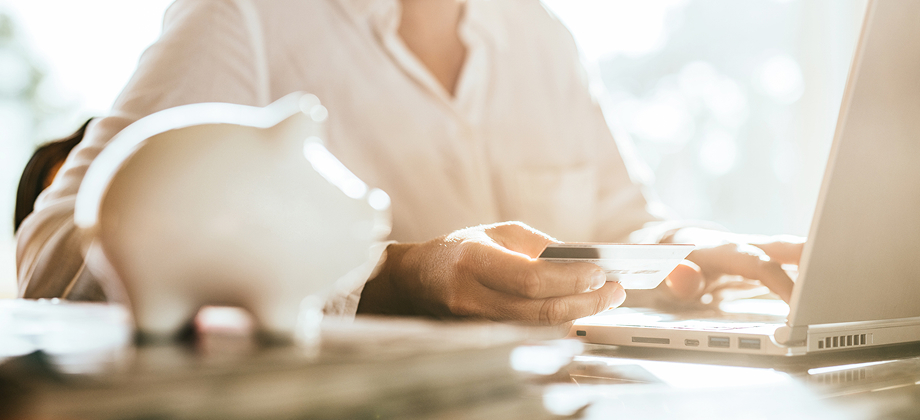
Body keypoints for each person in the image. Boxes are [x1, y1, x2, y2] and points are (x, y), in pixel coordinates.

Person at [16, 0, 803, 326]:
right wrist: (389, 276)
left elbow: (618, 224)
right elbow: (48, 263)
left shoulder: (539, 36)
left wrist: (682, 245)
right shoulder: (247, 18)